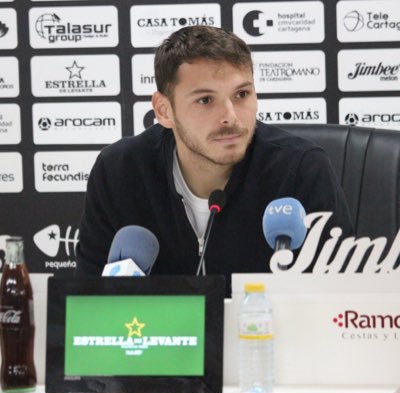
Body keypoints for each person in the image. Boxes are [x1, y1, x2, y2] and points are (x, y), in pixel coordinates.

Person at [76, 25, 353, 295]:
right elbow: (89, 306)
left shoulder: (300, 170)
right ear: (164, 110)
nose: (230, 116)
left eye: (242, 94)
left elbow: (339, 301)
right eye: (206, 100)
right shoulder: (119, 172)